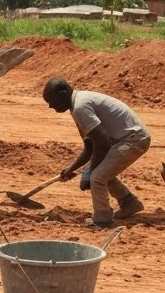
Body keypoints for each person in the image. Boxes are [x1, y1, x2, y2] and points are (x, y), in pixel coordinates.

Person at [43, 76, 151, 227]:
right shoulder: (76, 107)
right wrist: (70, 169)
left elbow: (103, 142)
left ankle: (102, 219)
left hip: (134, 139)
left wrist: (89, 171)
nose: (50, 106)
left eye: (51, 101)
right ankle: (129, 203)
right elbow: (90, 146)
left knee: (97, 177)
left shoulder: (81, 106)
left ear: (63, 94)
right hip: (125, 139)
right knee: (102, 171)